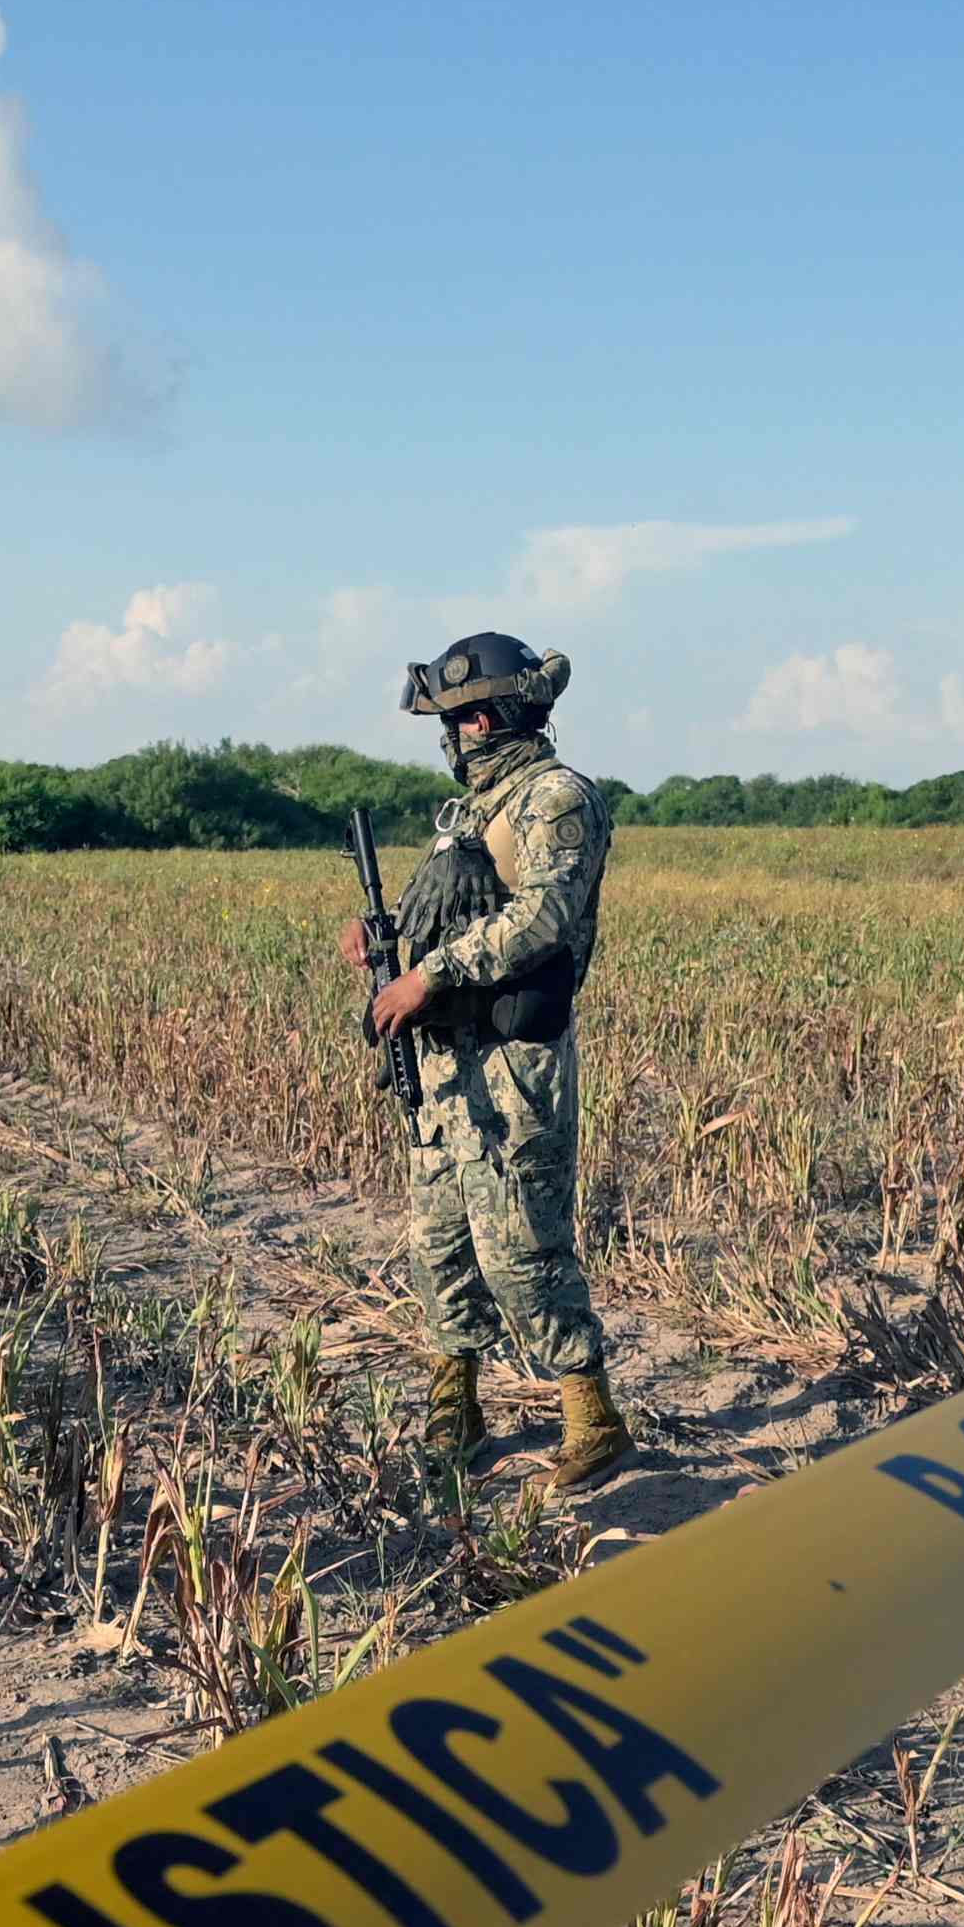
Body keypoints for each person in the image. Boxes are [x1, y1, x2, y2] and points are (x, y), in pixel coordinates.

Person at [331, 634, 627, 1490]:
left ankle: (593, 1418)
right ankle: (453, 1403)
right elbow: (446, 910)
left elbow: (544, 917)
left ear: (487, 719)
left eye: (456, 722)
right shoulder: (465, 815)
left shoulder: (556, 801)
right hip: (442, 1063)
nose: (450, 739)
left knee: (523, 1244)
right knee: (441, 1242)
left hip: (511, 1061)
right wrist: (382, 945)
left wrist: (434, 973)